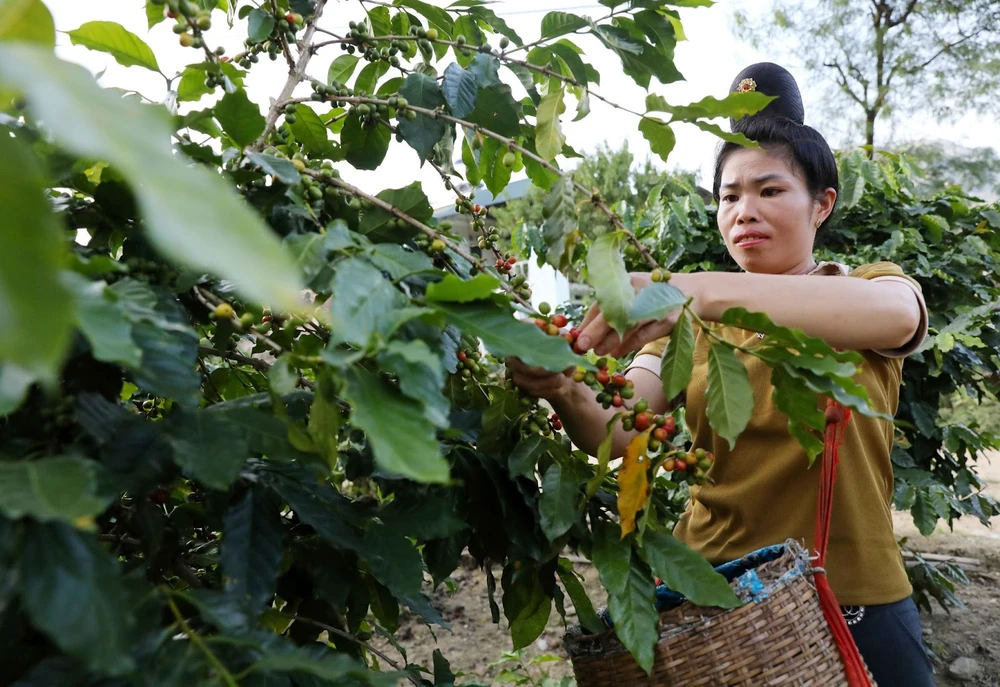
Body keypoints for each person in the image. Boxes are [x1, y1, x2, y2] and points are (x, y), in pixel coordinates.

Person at [506, 62, 935, 686]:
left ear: (823, 204)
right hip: (717, 596)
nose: (744, 211)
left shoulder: (869, 288)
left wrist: (695, 290)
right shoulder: (688, 324)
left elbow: (897, 318)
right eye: (729, 196)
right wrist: (563, 386)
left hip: (853, 591)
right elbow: (617, 434)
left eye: (770, 190)